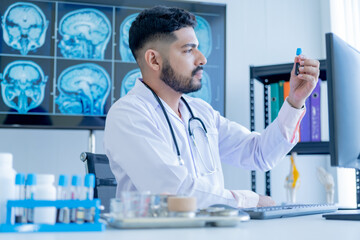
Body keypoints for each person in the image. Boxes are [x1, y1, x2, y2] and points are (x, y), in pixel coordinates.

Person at [104, 6, 320, 209]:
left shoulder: (199, 112)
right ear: (154, 60)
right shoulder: (128, 115)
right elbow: (175, 192)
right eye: (189, 50)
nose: (203, 59)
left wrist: (295, 100)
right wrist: (250, 200)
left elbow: (259, 154)